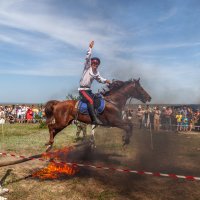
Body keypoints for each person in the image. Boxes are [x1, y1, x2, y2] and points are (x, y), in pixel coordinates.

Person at [78, 41, 111, 125]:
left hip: (88, 90)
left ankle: (97, 114)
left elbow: (100, 79)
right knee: (90, 100)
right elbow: (87, 57)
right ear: (91, 63)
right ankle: (94, 120)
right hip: (82, 90)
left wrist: (106, 80)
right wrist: (90, 48)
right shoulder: (87, 67)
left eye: (97, 64)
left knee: (98, 97)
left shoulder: (96, 72)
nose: (95, 64)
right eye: (94, 63)